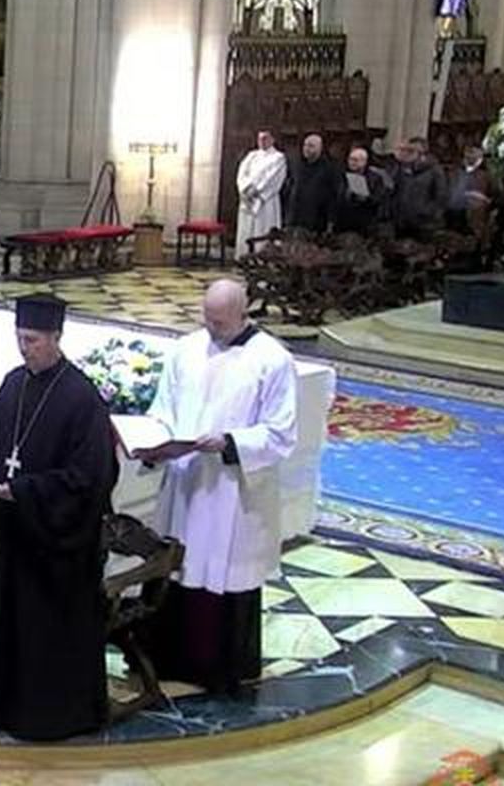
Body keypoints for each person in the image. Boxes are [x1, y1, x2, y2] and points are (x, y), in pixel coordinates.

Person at [0, 294, 116, 741]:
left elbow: (91, 477)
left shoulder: (80, 397)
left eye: (31, 339)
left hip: (55, 548)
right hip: (12, 533)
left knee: (44, 634)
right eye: (18, 338)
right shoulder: (13, 383)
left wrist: (25, 490)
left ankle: (50, 717)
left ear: (55, 337)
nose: (23, 347)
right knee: (4, 622)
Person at [141, 279, 298, 696]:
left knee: (221, 572)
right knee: (177, 564)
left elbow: (281, 434)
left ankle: (219, 670)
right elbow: (164, 406)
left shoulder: (273, 360)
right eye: (207, 320)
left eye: (221, 323)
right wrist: (157, 442)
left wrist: (231, 443)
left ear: (243, 314)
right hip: (186, 480)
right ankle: (165, 657)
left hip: (232, 491)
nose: (212, 330)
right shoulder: (186, 348)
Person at [235, 130, 286, 257]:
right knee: (246, 229)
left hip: (265, 202)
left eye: (265, 138)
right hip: (248, 199)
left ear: (272, 140)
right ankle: (243, 256)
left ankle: (262, 257)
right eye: (260, 138)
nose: (262, 141)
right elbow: (242, 174)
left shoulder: (278, 158)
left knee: (263, 229)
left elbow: (273, 179)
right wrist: (245, 189)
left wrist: (256, 190)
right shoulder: (251, 156)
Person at [390, 136, 446, 239]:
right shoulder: (403, 168)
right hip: (402, 221)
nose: (407, 154)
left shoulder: (435, 170)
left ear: (422, 153)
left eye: (411, 151)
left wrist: (426, 212)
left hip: (424, 223)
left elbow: (440, 197)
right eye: (407, 150)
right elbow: (393, 188)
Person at [282, 133, 337, 233]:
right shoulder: (296, 164)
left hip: (315, 219)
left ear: (320, 148)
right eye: (305, 145)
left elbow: (333, 196)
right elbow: (288, 187)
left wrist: (330, 221)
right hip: (293, 216)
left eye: (311, 146)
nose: (306, 149)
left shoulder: (329, 168)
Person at [446, 143, 496, 250]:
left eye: (474, 153)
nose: (470, 155)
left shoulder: (487, 175)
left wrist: (484, 200)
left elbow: (495, 197)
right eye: (468, 152)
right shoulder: (452, 171)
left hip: (472, 216)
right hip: (450, 213)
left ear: (480, 156)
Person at [332, 147, 391, 234]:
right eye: (350, 159)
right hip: (344, 221)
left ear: (364, 161)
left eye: (355, 160)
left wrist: (366, 198)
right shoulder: (342, 174)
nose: (352, 163)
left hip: (365, 222)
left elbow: (379, 199)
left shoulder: (375, 178)